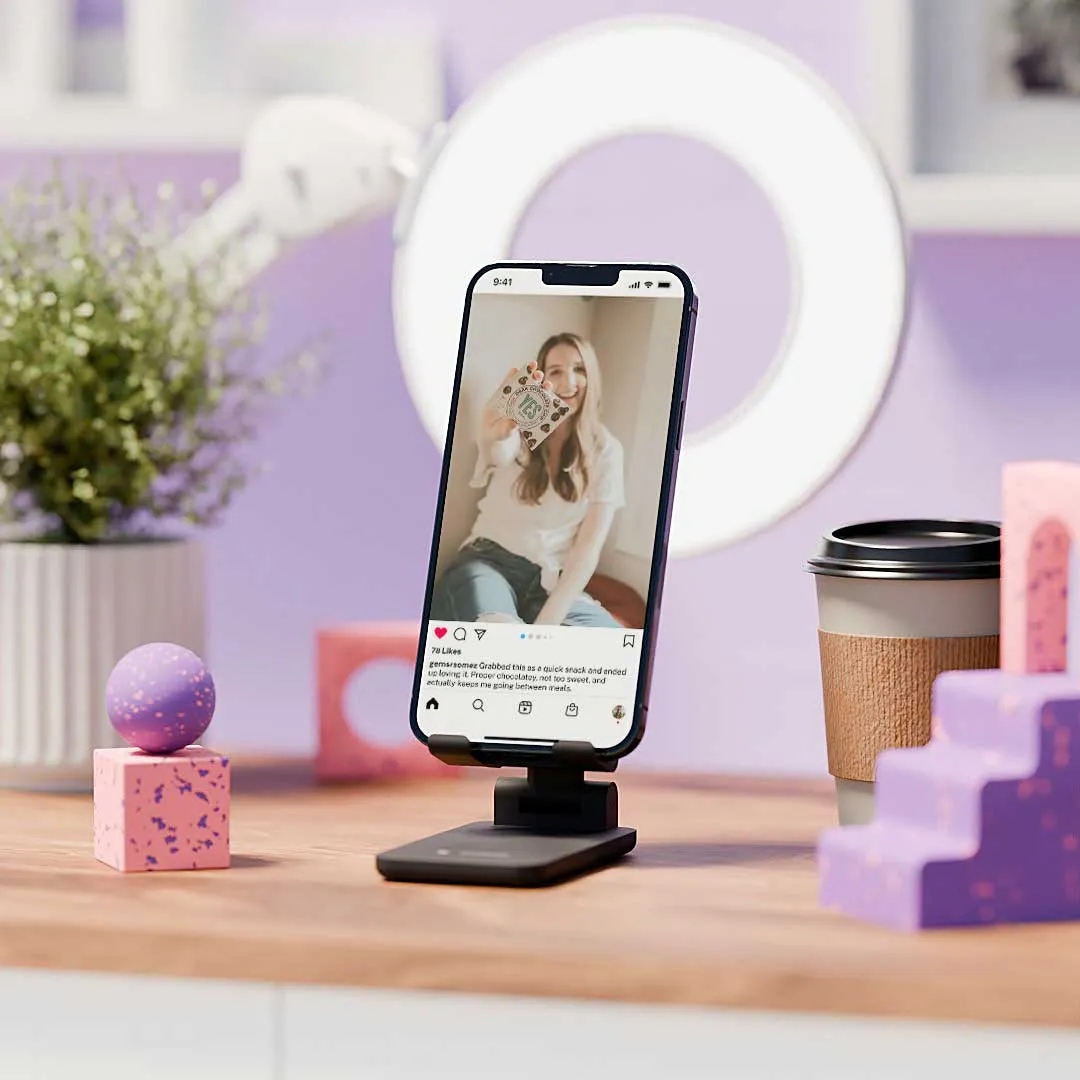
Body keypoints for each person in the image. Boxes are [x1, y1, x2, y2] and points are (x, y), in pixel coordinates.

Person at [430, 332, 625, 627]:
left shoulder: (607, 450)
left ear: (592, 377)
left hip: (550, 581)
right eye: (556, 371)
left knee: (605, 638)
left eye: (579, 369)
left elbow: (587, 549)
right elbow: (498, 453)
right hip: (489, 560)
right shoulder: (520, 426)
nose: (569, 382)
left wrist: (546, 626)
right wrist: (494, 434)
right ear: (542, 380)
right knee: (500, 633)